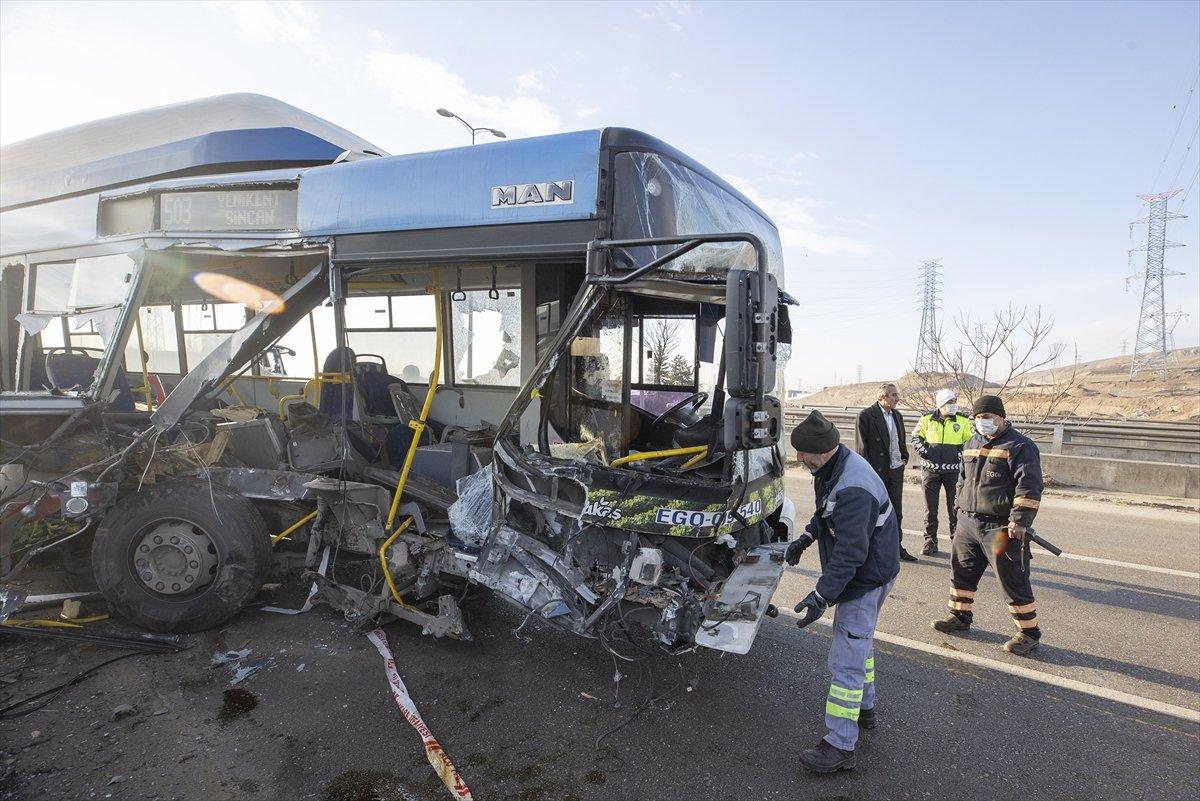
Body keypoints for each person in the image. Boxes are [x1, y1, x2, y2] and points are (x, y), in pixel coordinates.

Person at [787, 410, 901, 774]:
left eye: (803, 454)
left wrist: (820, 596)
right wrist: (806, 536)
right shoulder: (836, 465)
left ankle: (839, 746)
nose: (800, 460)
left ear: (820, 451)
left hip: (865, 579)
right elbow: (826, 512)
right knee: (861, 644)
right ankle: (866, 709)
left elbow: (851, 554)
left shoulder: (854, 487)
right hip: (871, 572)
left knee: (845, 661)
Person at [931, 395, 1045, 656]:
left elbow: (1029, 486)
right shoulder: (971, 442)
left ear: (1001, 418)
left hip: (999, 527)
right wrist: (959, 507)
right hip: (968, 522)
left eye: (988, 417)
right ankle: (959, 617)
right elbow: (962, 479)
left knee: (1012, 580)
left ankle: (1029, 633)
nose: (983, 422)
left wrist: (1019, 520)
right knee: (961, 573)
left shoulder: (1020, 446)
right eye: (979, 417)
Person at [856, 383, 916, 562]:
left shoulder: (897, 415)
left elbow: (901, 441)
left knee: (896, 511)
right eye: (893, 395)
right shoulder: (866, 416)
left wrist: (904, 459)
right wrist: (865, 474)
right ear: (882, 397)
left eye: (897, 394)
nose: (897, 398)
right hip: (876, 472)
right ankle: (870, 548)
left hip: (895, 470)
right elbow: (861, 449)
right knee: (874, 511)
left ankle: (896, 547)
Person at [911, 389, 973, 556]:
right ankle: (930, 541)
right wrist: (926, 452)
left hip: (953, 473)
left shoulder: (963, 420)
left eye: (954, 402)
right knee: (930, 509)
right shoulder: (926, 419)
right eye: (950, 402)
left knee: (955, 508)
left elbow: (971, 442)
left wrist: (959, 454)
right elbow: (916, 438)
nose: (953, 405)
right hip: (930, 471)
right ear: (941, 404)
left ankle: (957, 542)